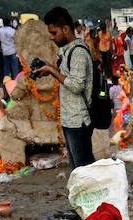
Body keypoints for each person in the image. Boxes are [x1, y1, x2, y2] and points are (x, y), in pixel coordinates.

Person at [38, 7, 95, 170]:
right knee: (77, 170)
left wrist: (51, 71)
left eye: (54, 33)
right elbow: (67, 78)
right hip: (69, 119)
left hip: (79, 121)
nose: (52, 37)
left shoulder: (78, 53)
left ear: (66, 29)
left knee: (83, 171)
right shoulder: (67, 52)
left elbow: (77, 86)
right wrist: (49, 68)